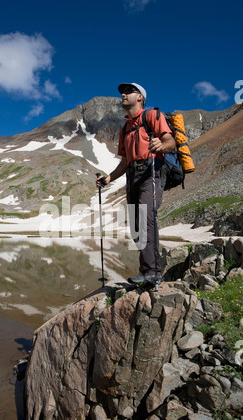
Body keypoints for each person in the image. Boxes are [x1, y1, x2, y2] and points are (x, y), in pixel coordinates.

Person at [96, 82, 176, 286]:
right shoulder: (125, 129)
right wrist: (108, 178)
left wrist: (161, 144)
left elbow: (170, 142)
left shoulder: (152, 116)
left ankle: (152, 271)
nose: (123, 94)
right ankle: (146, 270)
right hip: (131, 177)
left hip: (151, 173)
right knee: (135, 227)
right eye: (123, 92)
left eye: (129, 91)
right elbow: (124, 162)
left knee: (146, 219)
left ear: (140, 97)